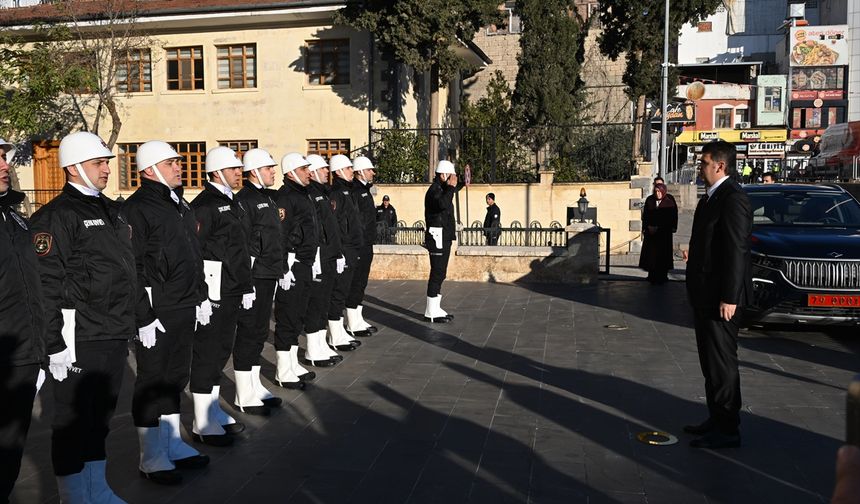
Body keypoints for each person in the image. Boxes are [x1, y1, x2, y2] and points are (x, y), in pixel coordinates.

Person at [29, 131, 136, 502]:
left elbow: (124, 270)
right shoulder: (55, 216)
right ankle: (73, 494)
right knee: (72, 420)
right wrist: (54, 343)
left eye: (107, 162)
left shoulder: (109, 209)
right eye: (99, 163)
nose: (107, 169)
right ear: (74, 168)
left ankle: (97, 488)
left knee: (101, 416)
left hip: (112, 330)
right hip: (80, 338)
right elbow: (46, 285)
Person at [123, 141, 212, 485]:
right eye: (172, 162)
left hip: (183, 303)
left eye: (178, 161)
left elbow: (193, 255)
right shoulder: (138, 209)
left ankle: (172, 443)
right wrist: (143, 315)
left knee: (175, 377)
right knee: (152, 380)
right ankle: (151, 455)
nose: (180, 167)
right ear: (149, 169)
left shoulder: (178, 204)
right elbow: (134, 265)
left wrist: (200, 295)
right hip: (158, 310)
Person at [0, 139, 70, 502]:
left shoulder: (13, 216)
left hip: (25, 352)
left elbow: (34, 284)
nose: (3, 165)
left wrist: (44, 346)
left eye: (2, 156)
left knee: (10, 448)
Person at [682, 140, 752, 449]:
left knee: (722, 364)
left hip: (721, 300)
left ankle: (727, 428)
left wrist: (730, 296)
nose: (700, 168)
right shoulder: (709, 199)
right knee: (710, 363)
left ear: (720, 165)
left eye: (704, 163)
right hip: (704, 295)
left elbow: (736, 251)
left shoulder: (732, 199)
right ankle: (716, 417)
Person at [189, 146, 254, 446]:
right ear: (217, 172)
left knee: (221, 351)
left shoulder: (233, 202)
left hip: (231, 288)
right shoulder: (205, 205)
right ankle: (201, 421)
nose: (239, 173)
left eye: (239, 168)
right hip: (214, 291)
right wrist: (203, 294)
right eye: (233, 169)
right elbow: (197, 251)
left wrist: (245, 284)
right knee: (208, 352)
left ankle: (213, 410)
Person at [233, 148, 289, 414]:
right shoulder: (245, 200)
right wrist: (247, 280)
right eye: (268, 169)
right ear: (254, 171)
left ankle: (255, 386)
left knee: (258, 331)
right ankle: (243, 393)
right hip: (255, 275)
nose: (273, 173)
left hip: (269, 273)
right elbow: (246, 243)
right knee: (248, 331)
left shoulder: (267, 198)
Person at [272, 153, 333, 372]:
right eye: (303, 169)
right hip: (293, 262)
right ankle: (283, 369)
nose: (309, 173)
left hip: (306, 261)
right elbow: (280, 233)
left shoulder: (304, 194)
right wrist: (284, 267)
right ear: (290, 173)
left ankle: (291, 363)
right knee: (288, 316)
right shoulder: (285, 197)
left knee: (298, 314)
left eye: (308, 169)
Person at [306, 154, 358, 355]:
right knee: (320, 301)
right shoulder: (322, 194)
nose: (326, 172)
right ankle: (321, 343)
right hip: (322, 255)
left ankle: (324, 342)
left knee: (328, 298)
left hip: (334, 252)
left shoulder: (326, 193)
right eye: (322, 169)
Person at [328, 155, 367, 340]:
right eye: (349, 168)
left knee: (347, 288)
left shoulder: (348, 191)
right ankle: (335, 333)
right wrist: (341, 250)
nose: (353, 171)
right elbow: (336, 225)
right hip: (345, 248)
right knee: (339, 291)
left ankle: (340, 329)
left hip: (353, 247)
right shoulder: (336, 193)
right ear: (338, 172)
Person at [423, 160, 462, 323]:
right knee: (437, 271)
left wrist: (460, 183)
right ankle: (430, 311)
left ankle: (436, 307)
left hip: (443, 235)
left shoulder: (442, 189)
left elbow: (449, 193)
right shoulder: (434, 190)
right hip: (437, 236)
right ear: (443, 175)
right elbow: (442, 203)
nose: (453, 179)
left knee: (441, 272)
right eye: (451, 175)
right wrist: (452, 187)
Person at [344, 156, 379, 337]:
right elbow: (357, 220)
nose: (372, 173)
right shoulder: (356, 191)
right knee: (356, 282)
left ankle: (358, 317)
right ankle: (351, 321)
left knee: (361, 282)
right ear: (360, 172)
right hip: (360, 244)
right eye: (369, 170)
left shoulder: (364, 190)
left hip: (367, 243)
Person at [638, 183, 678, 284]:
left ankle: (662, 277)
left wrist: (660, 227)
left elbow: (672, 217)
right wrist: (647, 227)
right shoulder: (650, 200)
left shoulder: (669, 201)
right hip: (651, 234)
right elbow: (645, 216)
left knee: (662, 257)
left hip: (664, 234)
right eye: (656, 191)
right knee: (651, 256)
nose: (658, 194)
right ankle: (651, 276)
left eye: (659, 191)